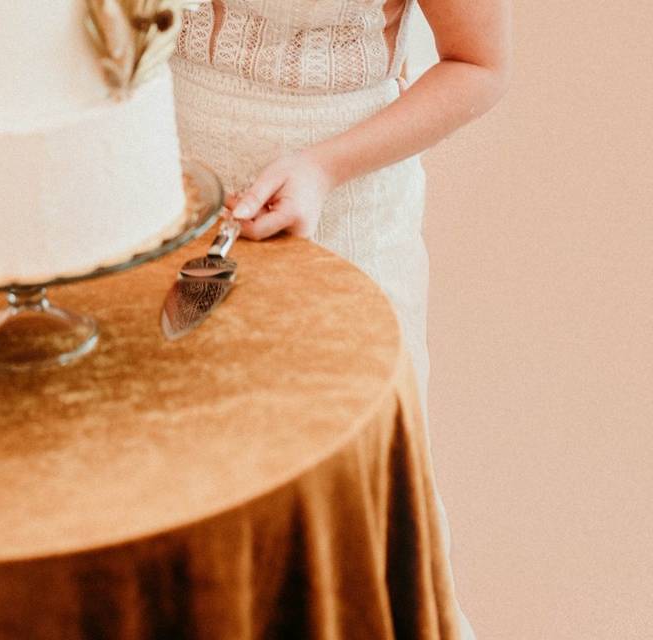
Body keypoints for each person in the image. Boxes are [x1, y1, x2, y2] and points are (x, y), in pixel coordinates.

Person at [171, 1, 512, 637]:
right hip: (169, 204)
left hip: (347, 220)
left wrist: (322, 167)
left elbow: (479, 65)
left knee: (351, 514)